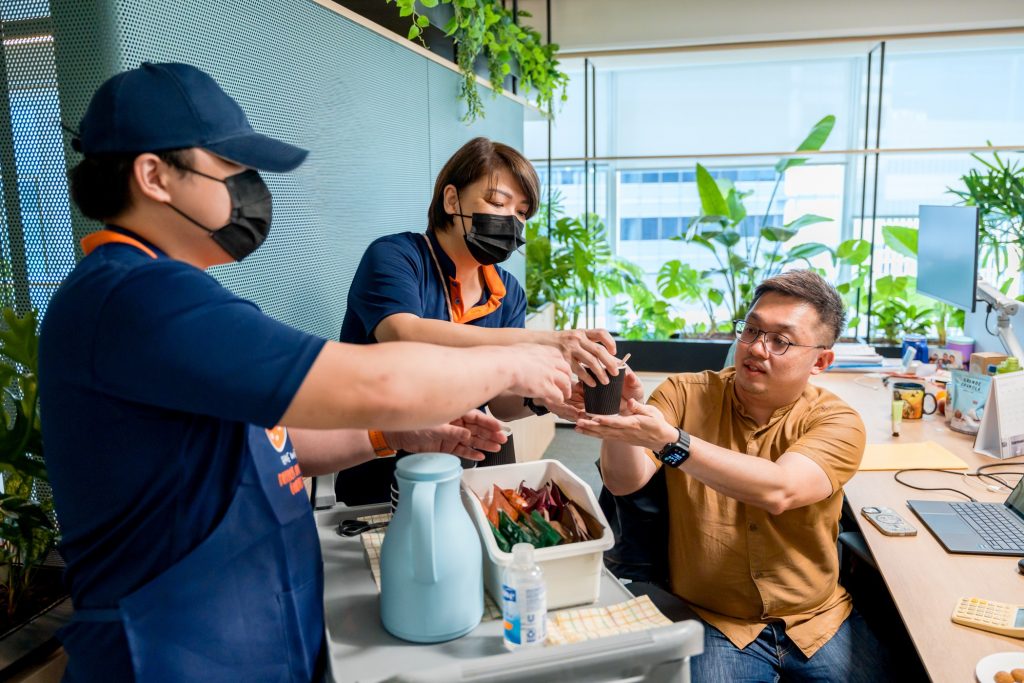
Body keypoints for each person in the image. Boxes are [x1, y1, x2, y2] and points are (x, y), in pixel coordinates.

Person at [39, 62, 571, 682]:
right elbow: (380, 379)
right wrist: (516, 358)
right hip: (175, 651)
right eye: (231, 167)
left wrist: (395, 435)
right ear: (154, 176)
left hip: (251, 634)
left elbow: (268, 442)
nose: (250, 189)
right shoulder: (138, 299)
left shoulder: (174, 294)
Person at [574, 270, 892, 682]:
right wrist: (620, 420)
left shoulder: (837, 421)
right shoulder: (683, 393)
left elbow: (780, 490)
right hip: (712, 618)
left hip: (815, 619)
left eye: (781, 340)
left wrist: (673, 442)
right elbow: (624, 482)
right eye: (751, 330)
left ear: (820, 361)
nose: (757, 348)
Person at [336, 136, 610, 503]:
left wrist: (541, 399)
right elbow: (404, 333)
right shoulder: (396, 256)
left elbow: (499, 403)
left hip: (470, 469)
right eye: (497, 203)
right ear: (452, 200)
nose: (511, 220)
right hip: (380, 466)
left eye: (522, 212)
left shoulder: (507, 292)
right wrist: (543, 340)